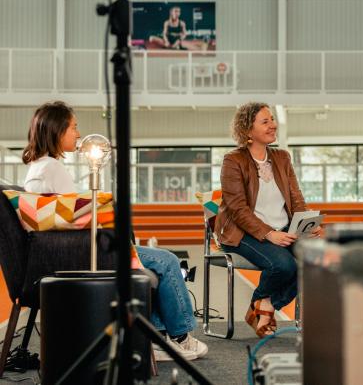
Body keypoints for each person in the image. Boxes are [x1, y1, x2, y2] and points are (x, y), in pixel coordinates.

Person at [21, 101, 208, 362]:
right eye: (73, 127)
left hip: (72, 249)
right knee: (167, 260)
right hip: (85, 251)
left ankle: (156, 337)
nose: (77, 133)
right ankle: (181, 336)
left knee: (155, 266)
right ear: (57, 129)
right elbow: (79, 220)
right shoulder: (53, 168)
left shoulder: (38, 168)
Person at [215, 102, 320, 338]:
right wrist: (269, 233)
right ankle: (264, 307)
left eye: (272, 119)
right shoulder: (233, 161)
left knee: (316, 260)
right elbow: (237, 208)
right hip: (243, 233)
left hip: (283, 229)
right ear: (248, 131)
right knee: (284, 265)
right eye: (265, 121)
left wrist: (306, 224)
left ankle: (265, 306)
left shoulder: (282, 157)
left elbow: (296, 197)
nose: (273, 125)